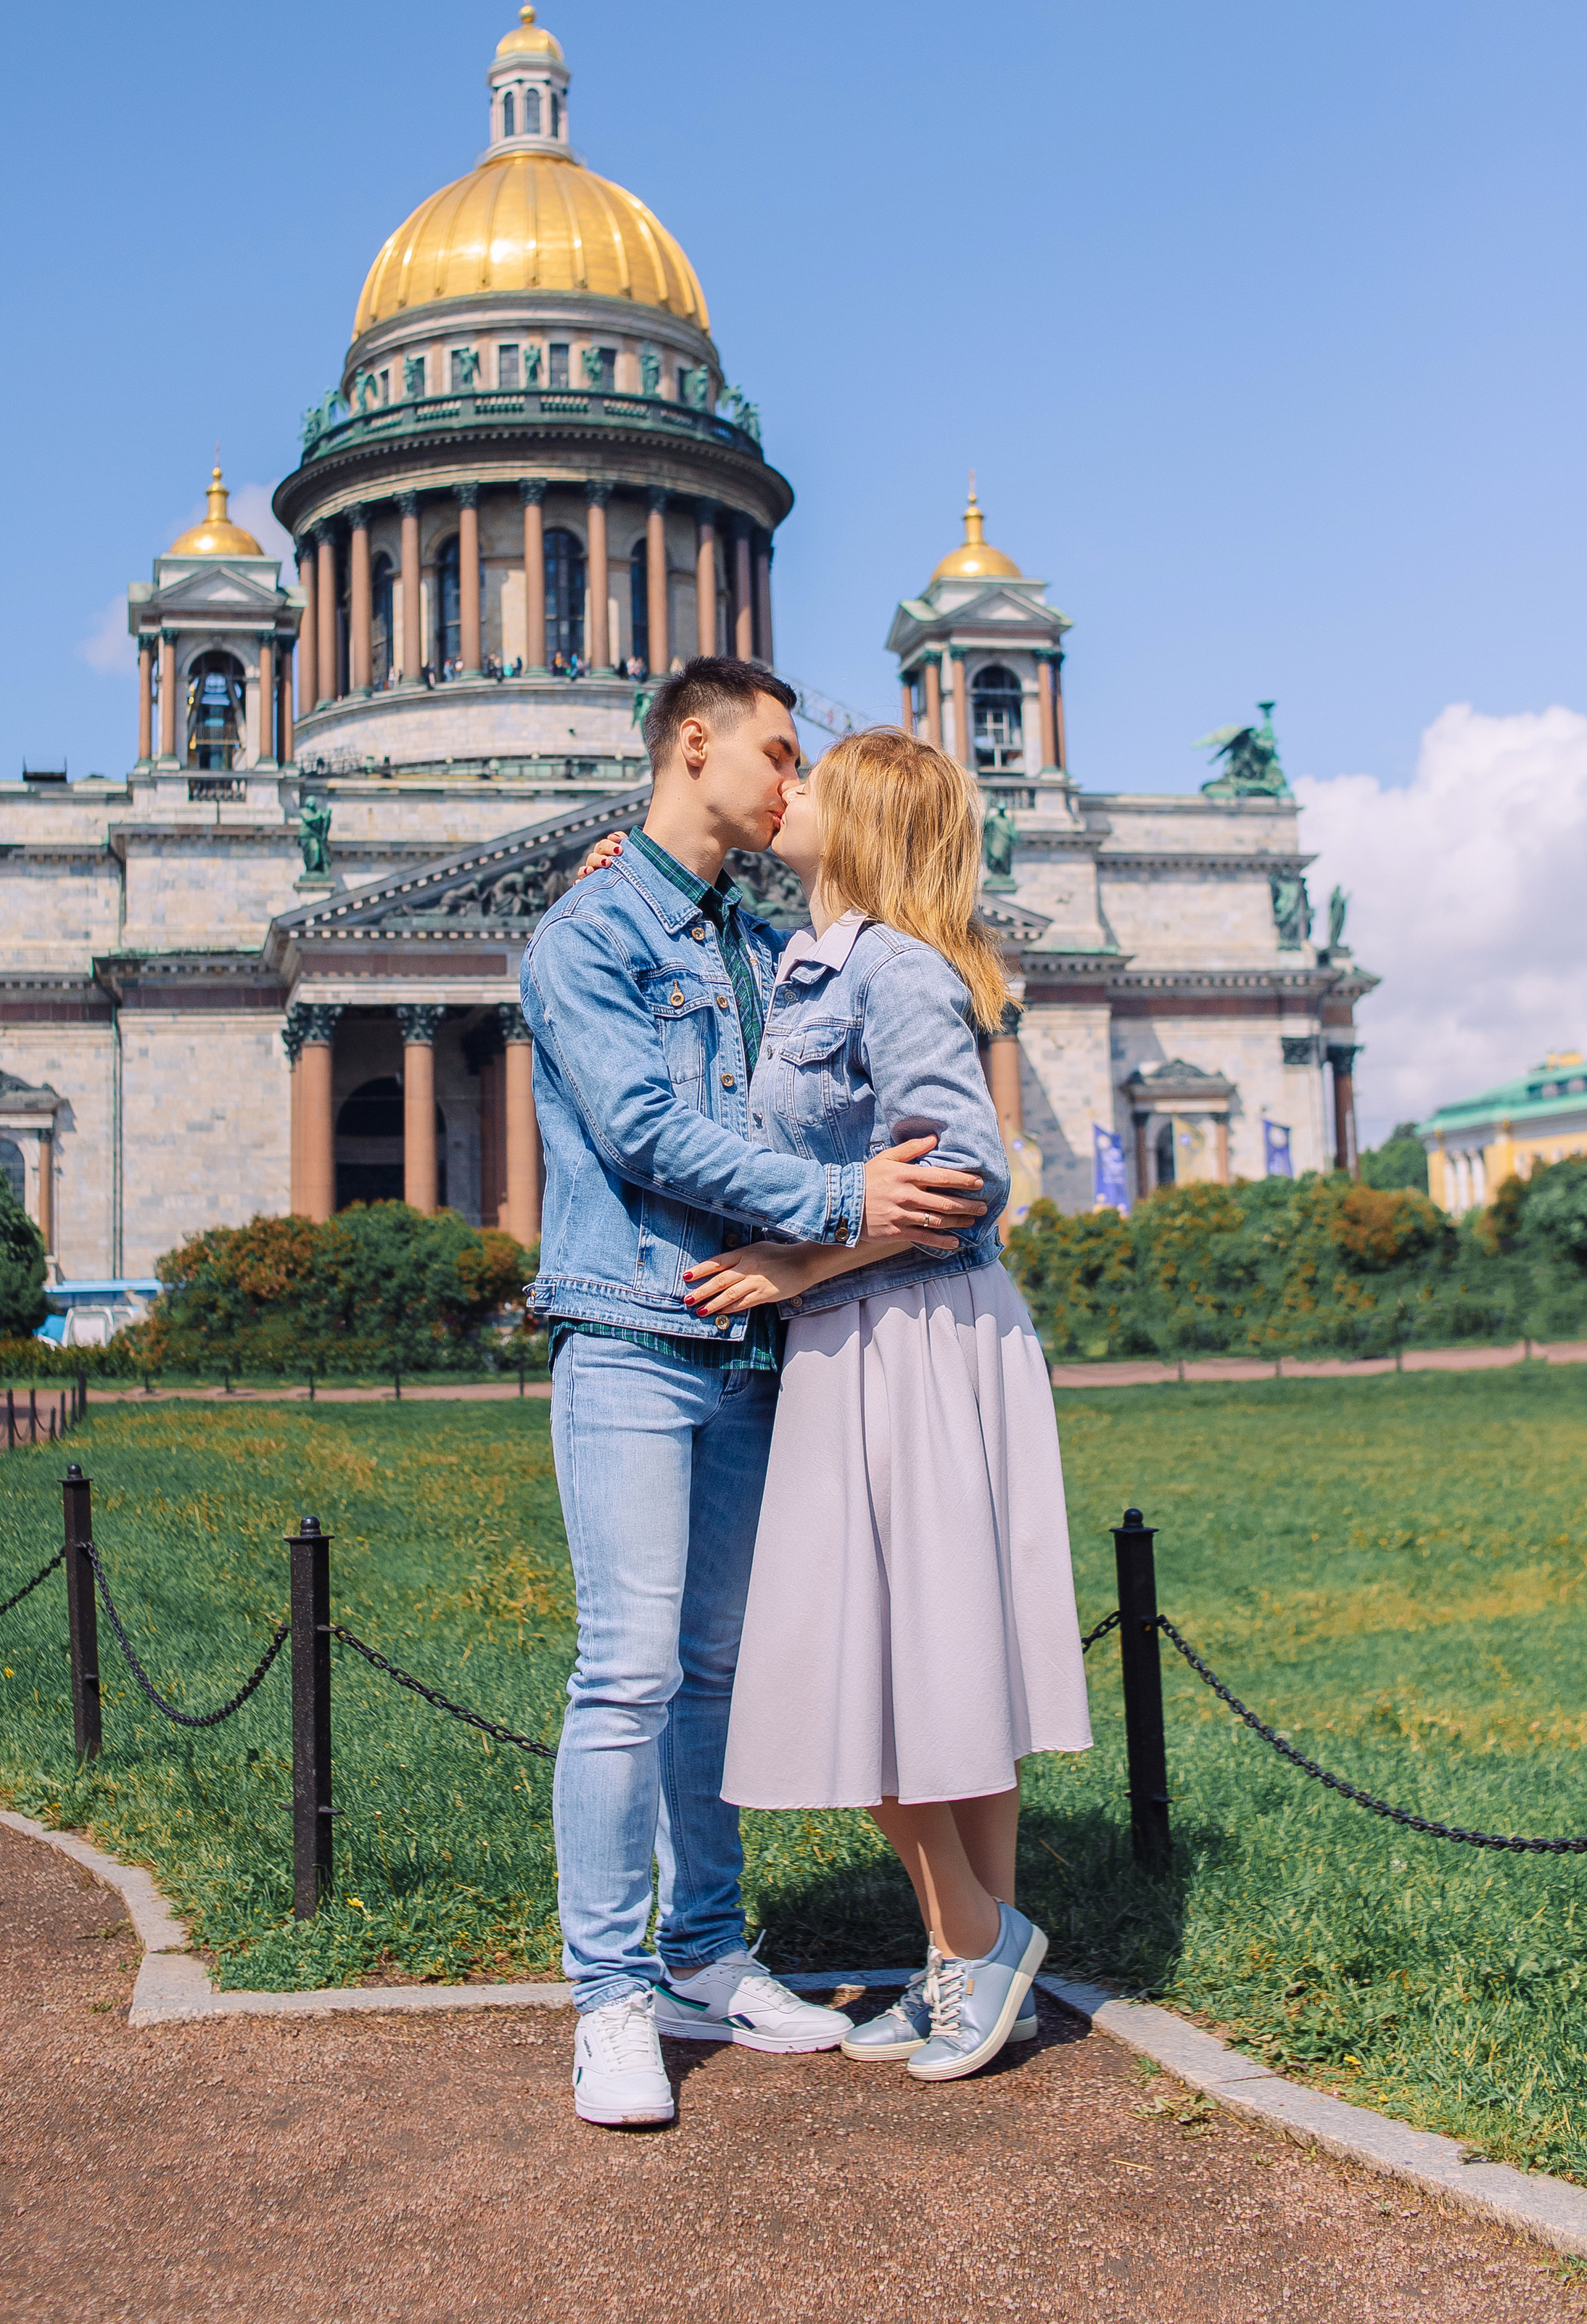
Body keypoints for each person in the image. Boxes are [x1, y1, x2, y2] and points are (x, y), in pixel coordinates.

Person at [520, 662, 990, 2129]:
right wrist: (843, 1206)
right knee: (626, 1672)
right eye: (777, 757)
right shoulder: (586, 927)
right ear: (693, 743)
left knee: (710, 1676)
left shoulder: (750, 932)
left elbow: (897, 921)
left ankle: (702, 1954)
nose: (797, 786)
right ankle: (606, 1995)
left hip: (745, 1346)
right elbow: (647, 1128)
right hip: (630, 1329)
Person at [684, 728, 1093, 2084]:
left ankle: (974, 1944)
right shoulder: (827, 960)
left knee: (866, 1658)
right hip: (877, 1332)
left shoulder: (896, 970)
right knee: (933, 1656)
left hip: (899, 1336)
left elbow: (967, 1175)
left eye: (809, 781)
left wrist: (795, 1261)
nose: (780, 791)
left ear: (855, 824)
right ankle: (970, 1960)